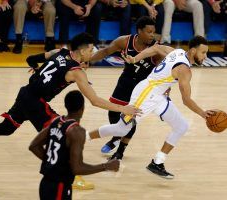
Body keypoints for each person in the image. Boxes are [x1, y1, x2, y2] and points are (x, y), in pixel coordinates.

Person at [0, 33, 138, 150]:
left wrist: (37, 69)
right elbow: (95, 101)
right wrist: (124, 109)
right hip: (36, 103)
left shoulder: (58, 51)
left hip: (25, 93)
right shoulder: (77, 73)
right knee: (65, 134)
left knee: (5, 128)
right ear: (82, 51)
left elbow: (30, 58)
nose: (94, 52)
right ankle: (71, 174)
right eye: (91, 49)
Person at [87, 35, 214, 179]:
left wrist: (135, 59)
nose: (205, 56)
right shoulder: (184, 70)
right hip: (145, 94)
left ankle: (157, 162)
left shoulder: (177, 51)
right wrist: (203, 113)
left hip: (158, 96)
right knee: (121, 128)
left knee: (182, 126)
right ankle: (84, 136)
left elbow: (155, 48)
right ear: (192, 51)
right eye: (203, 52)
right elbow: (186, 100)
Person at [91, 16, 170, 160]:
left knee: (130, 118)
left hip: (142, 86)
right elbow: (105, 52)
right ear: (139, 31)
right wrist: (88, 60)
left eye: (154, 32)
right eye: (149, 32)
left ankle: (120, 151)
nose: (152, 35)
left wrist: (165, 89)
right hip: (126, 80)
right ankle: (116, 137)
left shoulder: (156, 49)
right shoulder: (125, 41)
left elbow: (164, 72)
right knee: (113, 112)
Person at [29, 90, 120, 200]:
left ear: (66, 106)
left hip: (45, 183)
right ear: (83, 108)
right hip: (59, 187)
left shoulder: (56, 121)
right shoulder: (77, 131)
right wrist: (106, 166)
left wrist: (52, 162)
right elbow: (77, 168)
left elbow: (34, 146)